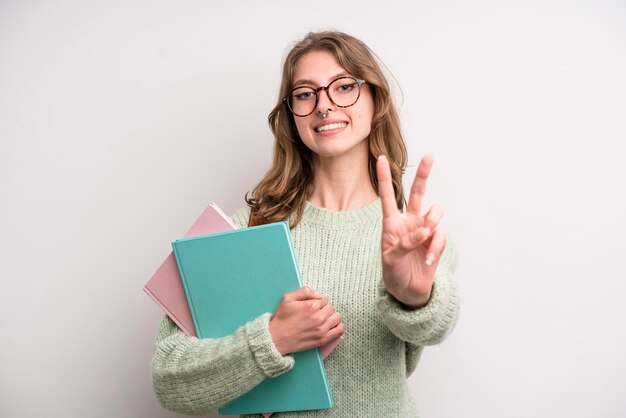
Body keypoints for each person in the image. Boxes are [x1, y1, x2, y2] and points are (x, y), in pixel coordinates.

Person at [151, 30, 459, 417]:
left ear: (375, 99)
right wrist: (271, 340)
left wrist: (414, 297)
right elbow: (168, 379)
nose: (324, 106)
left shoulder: (411, 238)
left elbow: (435, 327)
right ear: (291, 115)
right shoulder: (243, 230)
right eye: (305, 93)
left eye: (344, 86)